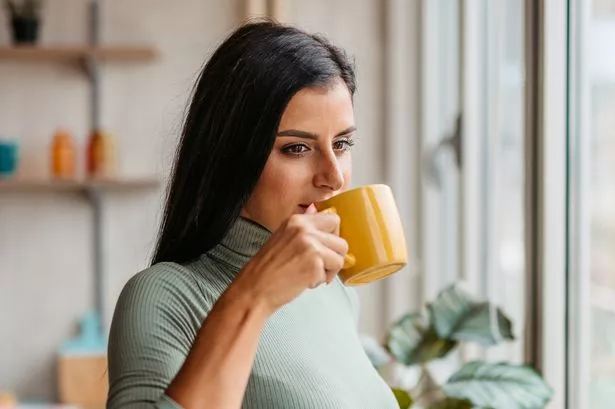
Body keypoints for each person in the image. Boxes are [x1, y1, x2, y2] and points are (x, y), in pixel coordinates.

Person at [106, 20, 398, 409]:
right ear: (230, 157)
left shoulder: (336, 292)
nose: (333, 176)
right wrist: (255, 296)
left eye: (342, 143)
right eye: (296, 148)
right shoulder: (163, 296)